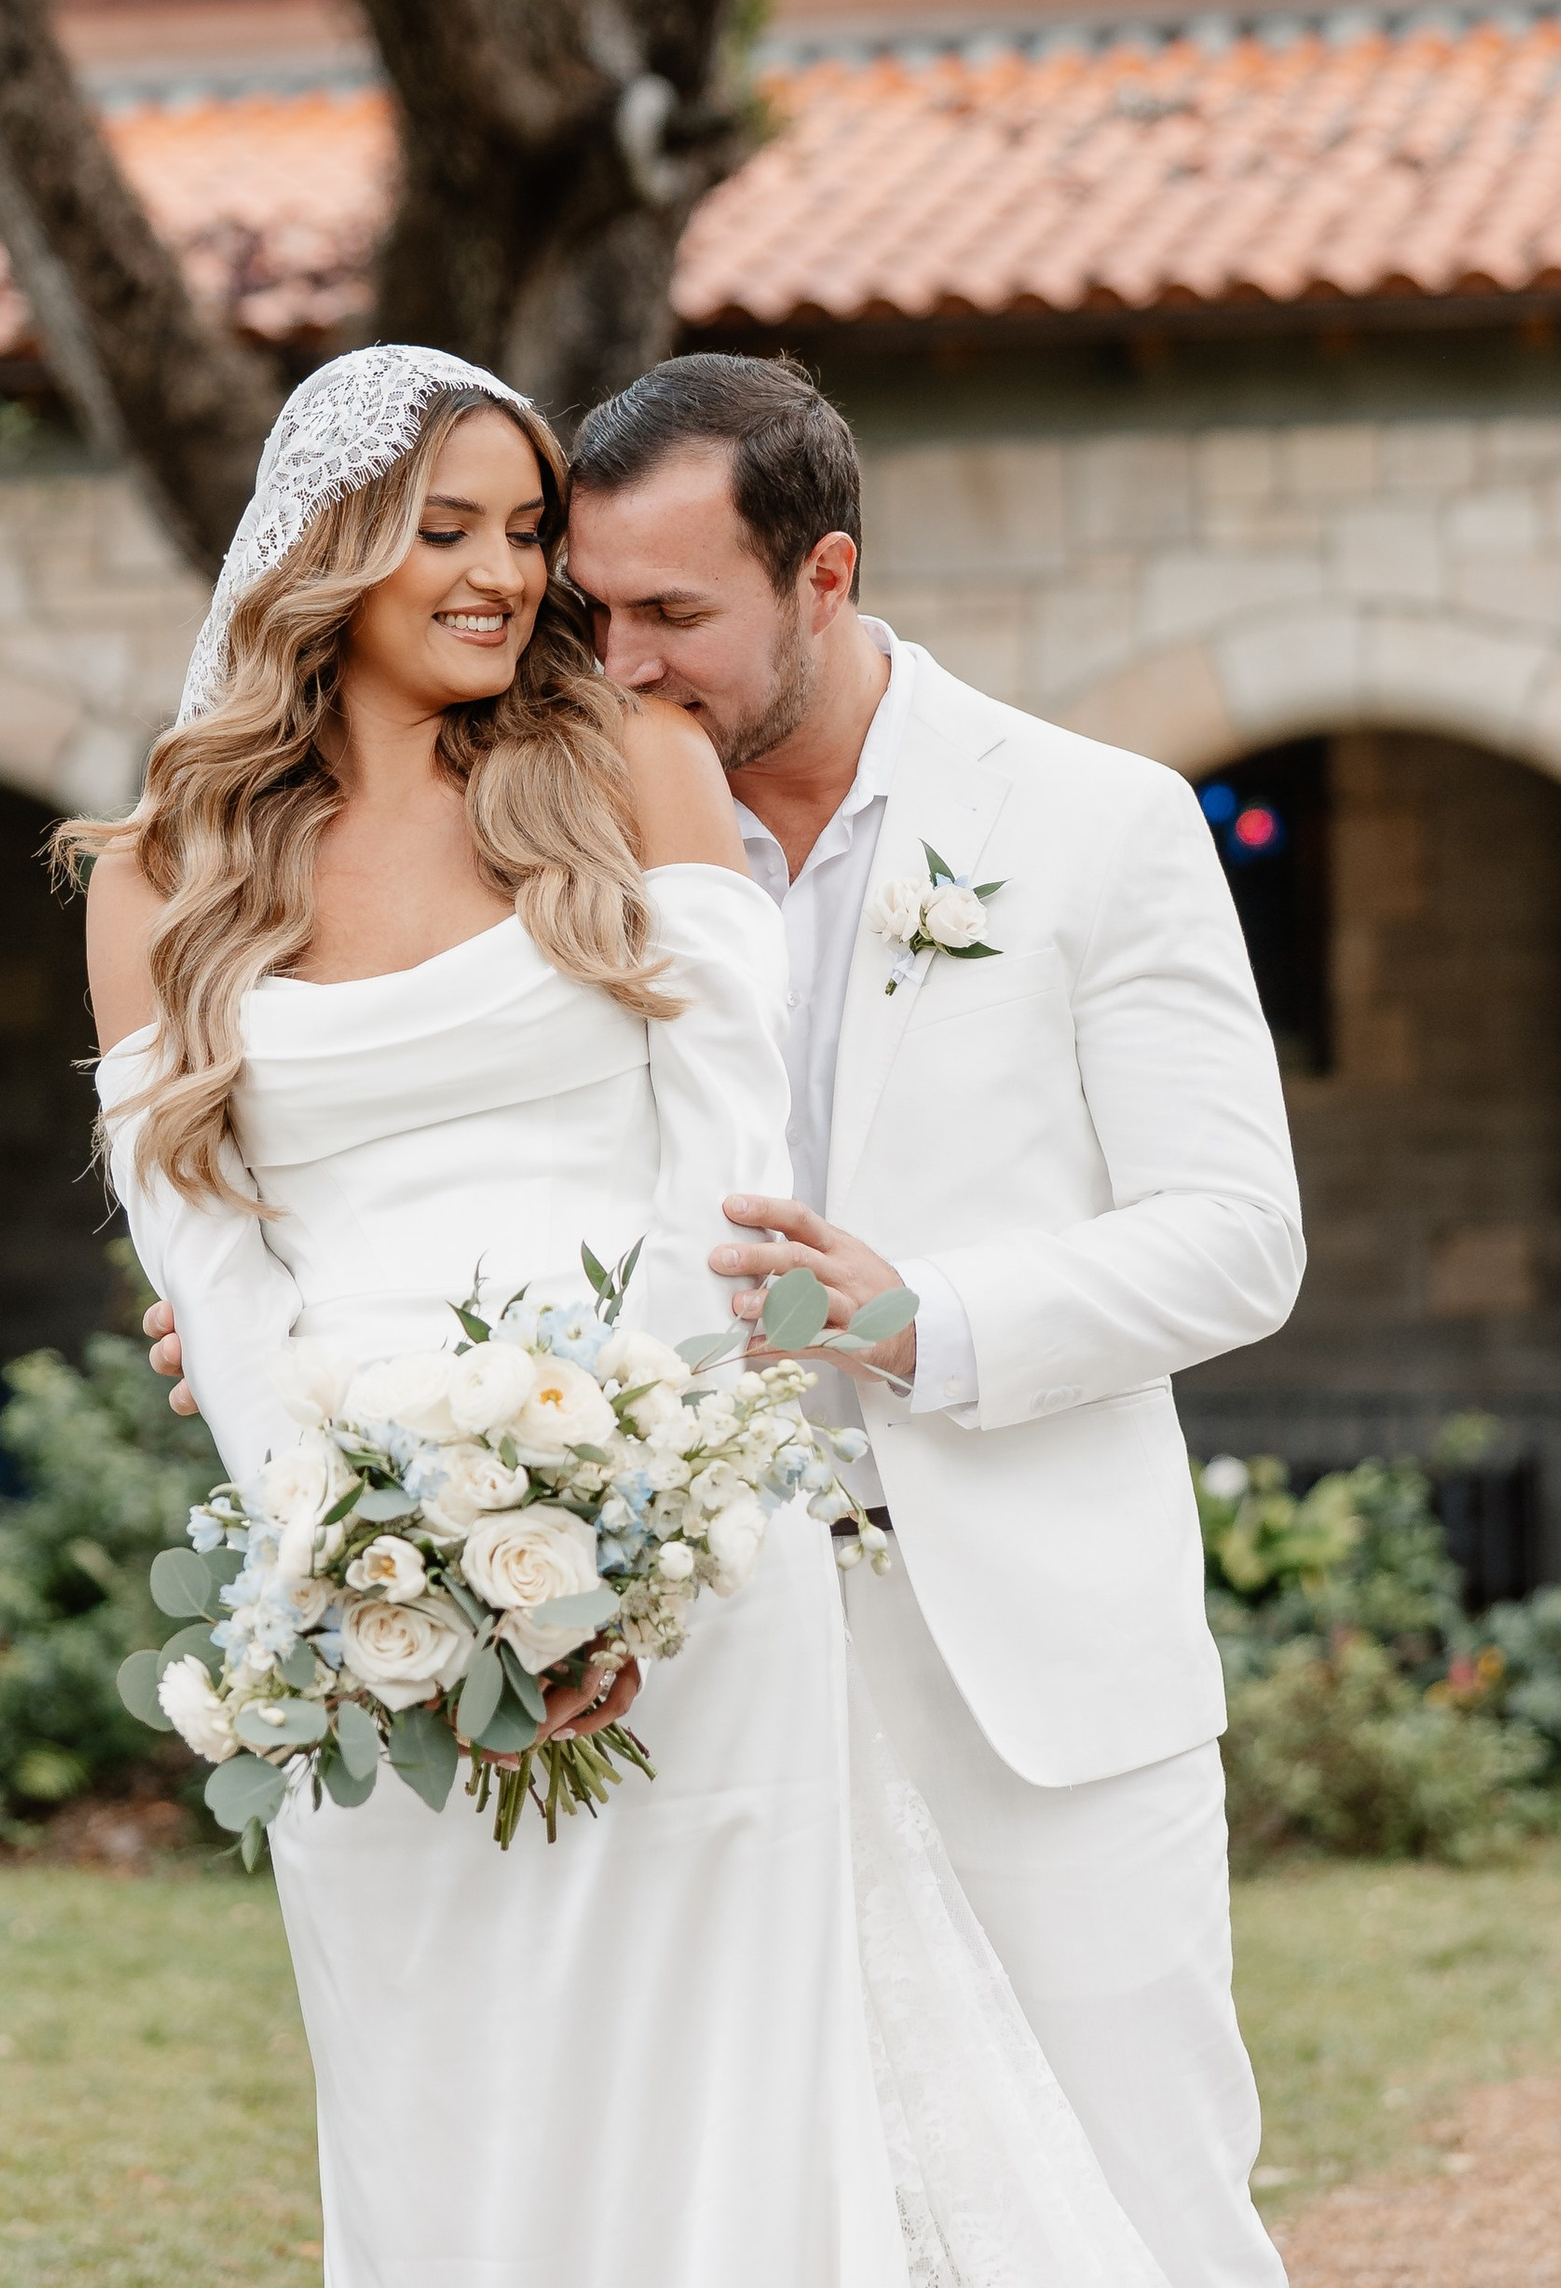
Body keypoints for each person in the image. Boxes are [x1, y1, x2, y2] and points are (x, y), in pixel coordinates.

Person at [85, 341, 1162, 2288]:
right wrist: (370, 1580)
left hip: (682, 1564)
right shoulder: (160, 873)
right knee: (442, 2104)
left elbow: (720, 1176)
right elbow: (217, 1281)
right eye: (448, 531)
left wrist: (609, 1556)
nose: (505, 575)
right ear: (327, 550)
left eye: (527, 536)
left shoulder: (632, 770)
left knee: (712, 2116)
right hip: (368, 1605)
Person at [557, 353, 1305, 2288]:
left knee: (1136, 2207)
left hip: (1038, 1675)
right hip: (709, 1667)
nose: (623, 666)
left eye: (673, 615)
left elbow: (1238, 1237)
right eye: (596, 613)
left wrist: (922, 1316)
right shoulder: (580, 866)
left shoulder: (1095, 824)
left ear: (823, 578)